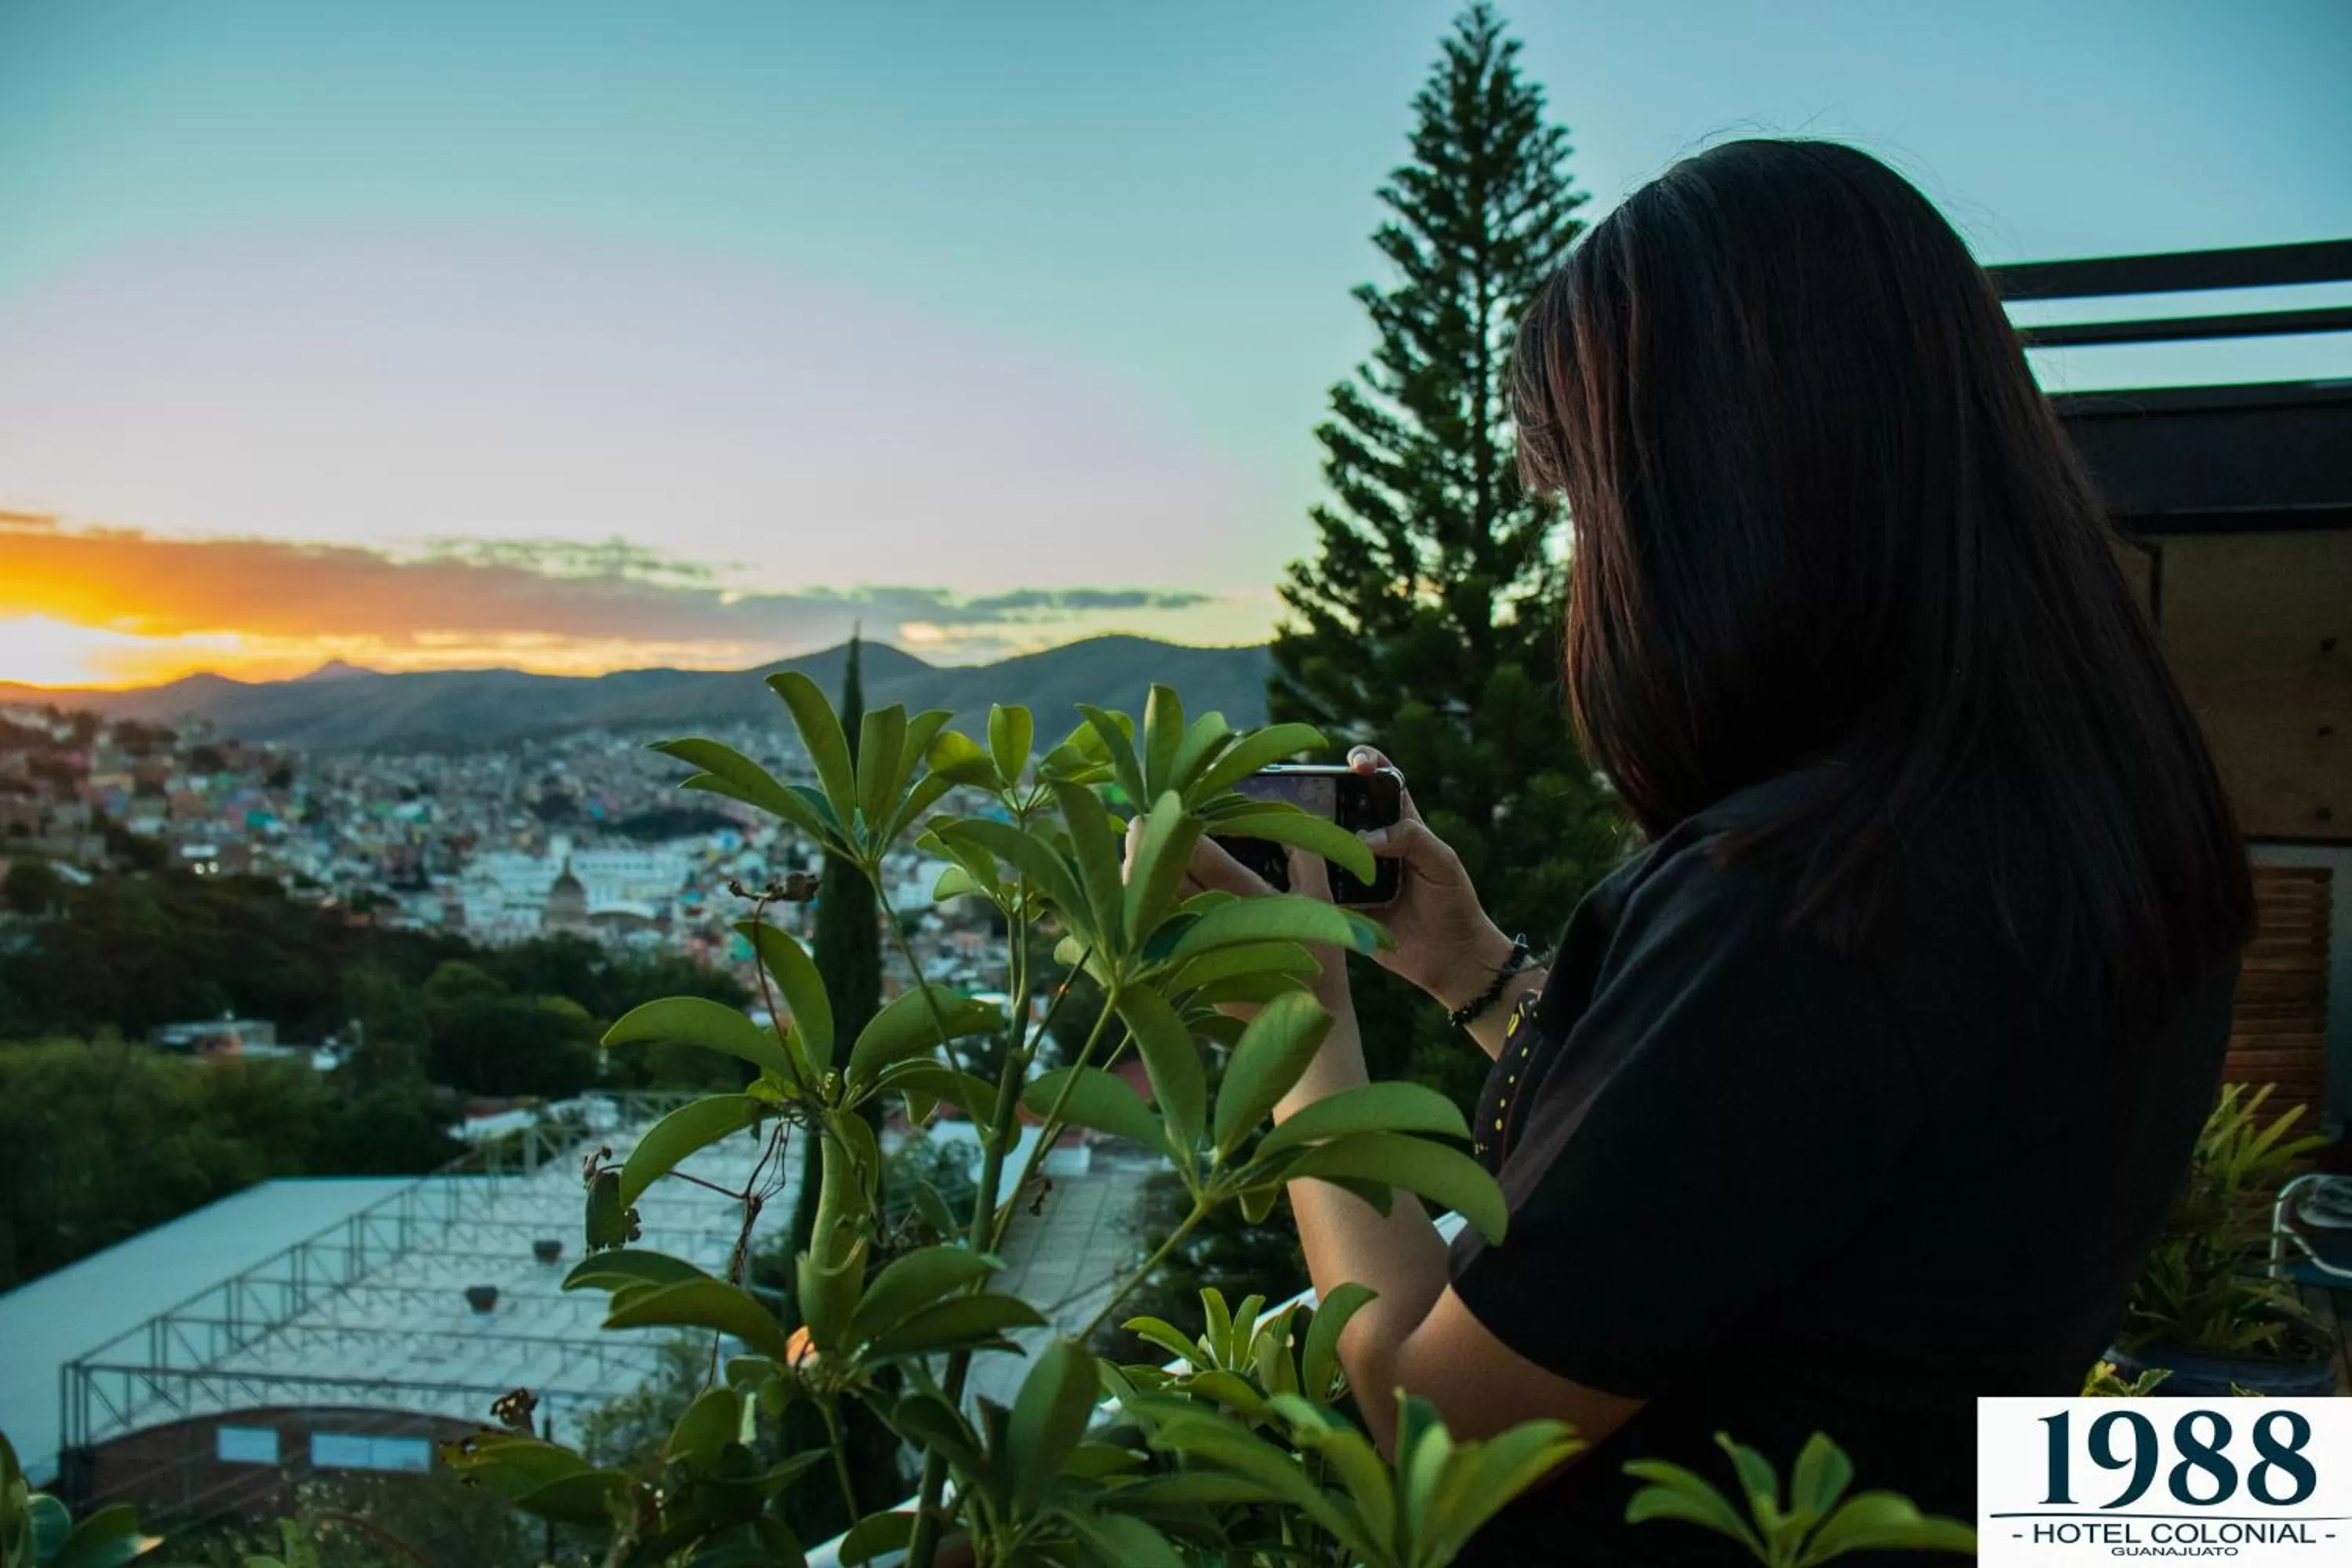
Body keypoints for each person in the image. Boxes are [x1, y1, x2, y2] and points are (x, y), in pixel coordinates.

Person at [1182, 140, 2252, 1564]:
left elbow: (1423, 1444)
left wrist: (1295, 1029)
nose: (1586, 566)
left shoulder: (1808, 907)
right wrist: (1486, 977)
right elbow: (1773, 1180)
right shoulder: (2098, 825)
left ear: (1713, 497)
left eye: (1586, 506)